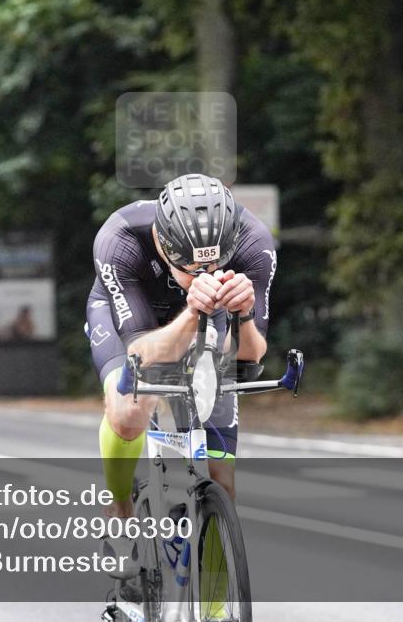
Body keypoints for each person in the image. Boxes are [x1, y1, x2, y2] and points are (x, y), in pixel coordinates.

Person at [85, 173, 276, 577]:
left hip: (209, 316)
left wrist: (243, 314)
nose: (205, 274)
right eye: (191, 267)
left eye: (214, 264)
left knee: (222, 482)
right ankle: (120, 508)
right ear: (163, 242)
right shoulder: (120, 240)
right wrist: (191, 312)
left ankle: (218, 599)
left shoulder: (253, 243)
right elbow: (141, 354)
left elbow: (249, 357)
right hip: (133, 321)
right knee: (128, 413)